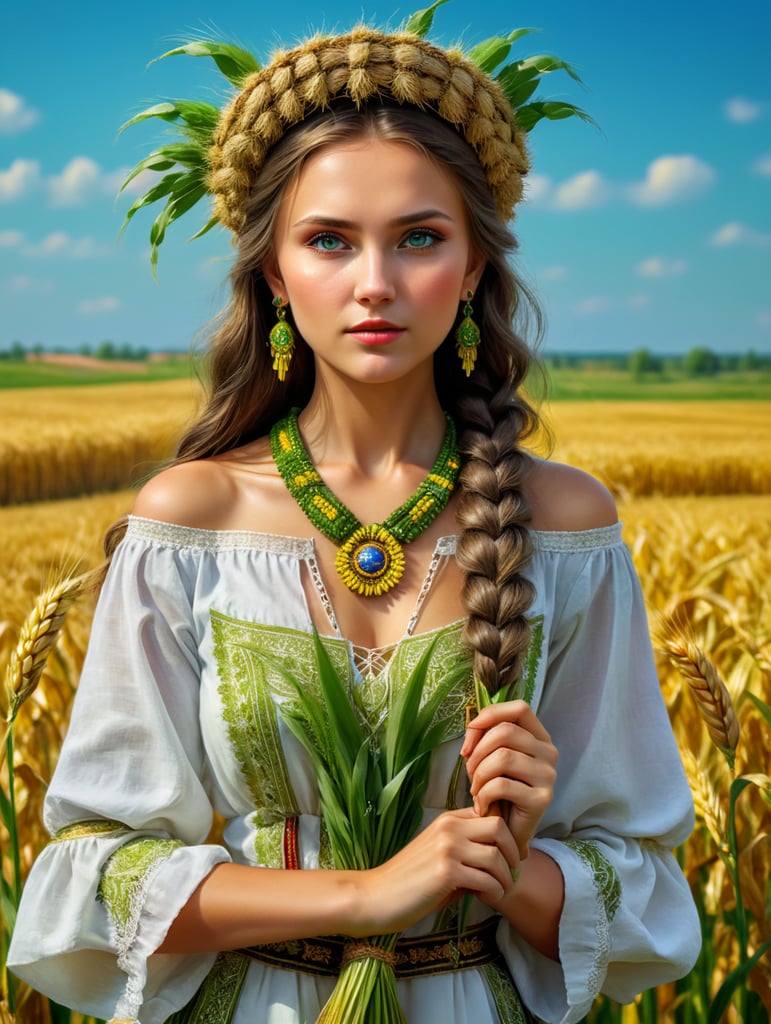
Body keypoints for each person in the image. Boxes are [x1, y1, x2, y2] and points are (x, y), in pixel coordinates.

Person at [8, 15, 701, 1024]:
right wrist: (369, 893)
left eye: (420, 237)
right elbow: (92, 870)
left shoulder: (565, 527)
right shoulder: (188, 522)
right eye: (329, 240)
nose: (375, 283)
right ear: (276, 276)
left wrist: (511, 852)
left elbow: (642, 892)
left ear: (471, 268)